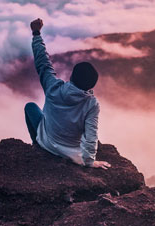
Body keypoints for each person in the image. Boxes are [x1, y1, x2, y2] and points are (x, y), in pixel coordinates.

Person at [24, 18, 111, 170]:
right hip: (71, 154)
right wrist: (89, 162)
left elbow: (43, 63)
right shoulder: (92, 104)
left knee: (30, 107)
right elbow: (91, 136)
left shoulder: (53, 87)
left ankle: (36, 144)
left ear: (72, 76)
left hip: (47, 143)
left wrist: (36, 33)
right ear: (91, 85)